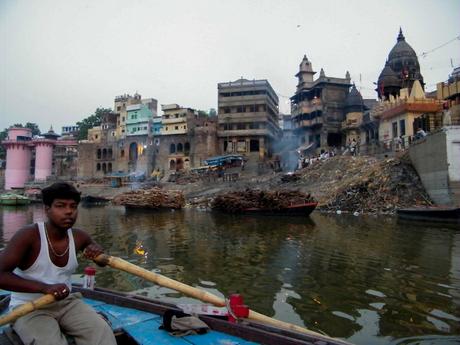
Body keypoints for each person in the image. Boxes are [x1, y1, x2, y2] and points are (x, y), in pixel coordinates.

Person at [0, 182, 116, 345]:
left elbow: (103, 260)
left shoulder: (79, 237)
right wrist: (44, 288)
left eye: (73, 206)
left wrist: (97, 250)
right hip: (30, 307)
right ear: (47, 209)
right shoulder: (28, 236)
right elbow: (1, 275)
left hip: (67, 303)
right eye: (60, 206)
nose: (69, 211)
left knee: (102, 332)